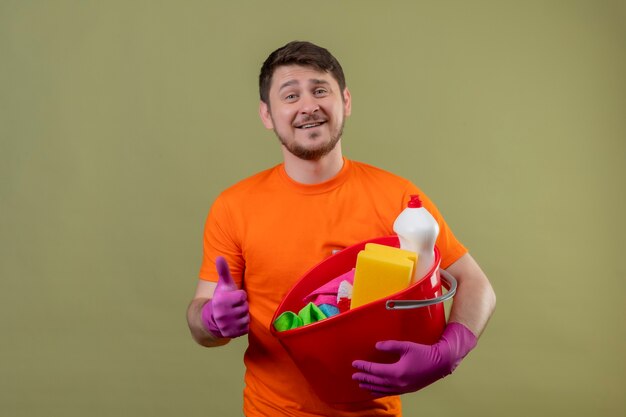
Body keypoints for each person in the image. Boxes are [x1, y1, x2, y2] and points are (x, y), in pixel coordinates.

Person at [186, 40, 496, 416]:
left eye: (320, 90)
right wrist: (211, 319)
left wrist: (450, 351)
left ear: (345, 101)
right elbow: (201, 323)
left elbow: (476, 284)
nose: (308, 106)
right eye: (290, 95)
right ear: (267, 115)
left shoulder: (398, 198)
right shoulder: (234, 206)